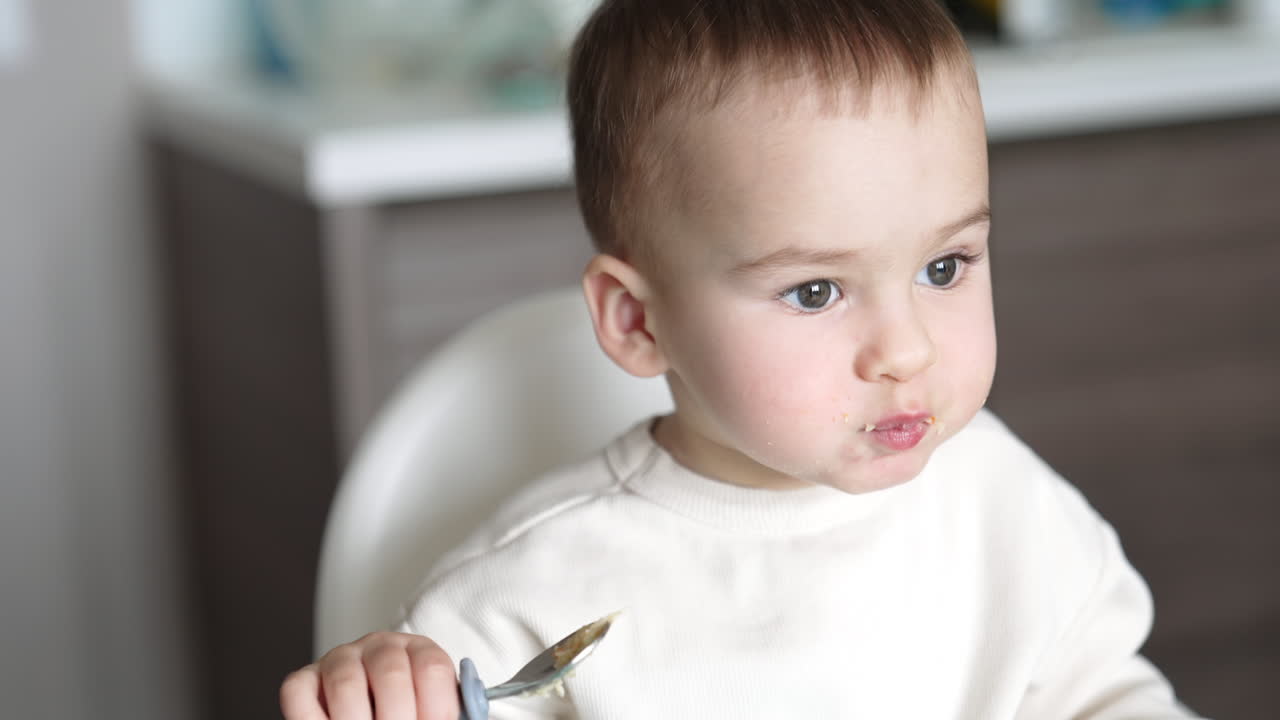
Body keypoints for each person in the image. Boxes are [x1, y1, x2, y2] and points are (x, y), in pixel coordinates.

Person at [281, 1, 1202, 718]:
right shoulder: (527, 603)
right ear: (640, 321)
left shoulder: (996, 494)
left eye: (943, 266)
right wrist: (388, 691)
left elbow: (1098, 692)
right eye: (815, 291)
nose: (908, 348)